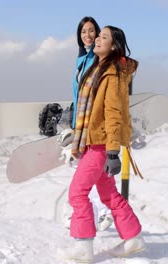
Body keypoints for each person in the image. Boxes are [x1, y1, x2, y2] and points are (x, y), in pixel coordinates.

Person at [60, 25, 146, 262]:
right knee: (109, 194)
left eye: (103, 37)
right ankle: (133, 238)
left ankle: (83, 246)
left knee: (77, 193)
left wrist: (112, 152)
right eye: (98, 36)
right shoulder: (100, 68)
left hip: (100, 144)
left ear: (114, 45)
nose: (97, 39)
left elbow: (114, 113)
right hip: (93, 141)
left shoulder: (113, 74)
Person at [58, 16, 114, 232]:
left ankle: (82, 218)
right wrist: (72, 119)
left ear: (98, 33)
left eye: (92, 31)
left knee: (82, 177)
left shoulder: (98, 58)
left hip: (92, 127)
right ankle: (104, 212)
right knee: (95, 176)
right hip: (80, 123)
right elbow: (79, 94)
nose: (88, 35)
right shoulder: (81, 59)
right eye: (83, 32)